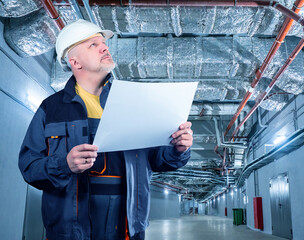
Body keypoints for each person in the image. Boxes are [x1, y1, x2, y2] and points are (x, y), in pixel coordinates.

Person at [18, 19, 193, 240]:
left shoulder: (133, 105)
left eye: (103, 43)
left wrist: (178, 148)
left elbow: (158, 159)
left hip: (127, 227)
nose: (104, 47)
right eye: (93, 45)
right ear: (75, 62)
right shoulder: (51, 109)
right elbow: (29, 167)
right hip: (71, 230)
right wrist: (64, 164)